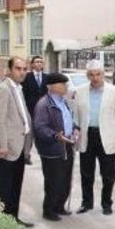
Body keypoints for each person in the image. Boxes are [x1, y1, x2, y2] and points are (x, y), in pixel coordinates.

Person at [74, 60, 115, 215]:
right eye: (91, 74)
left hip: (107, 137)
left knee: (108, 175)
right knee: (86, 173)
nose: (95, 78)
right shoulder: (80, 91)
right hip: (87, 136)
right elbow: (76, 115)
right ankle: (87, 202)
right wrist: (76, 131)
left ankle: (106, 203)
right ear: (87, 75)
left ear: (103, 74)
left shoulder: (114, 91)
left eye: (98, 74)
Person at [0, 57, 34, 228]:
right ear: (9, 70)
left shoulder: (18, 89)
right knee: (5, 190)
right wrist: (2, 146)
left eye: (24, 69)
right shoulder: (3, 90)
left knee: (16, 187)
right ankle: (2, 226)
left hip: (19, 147)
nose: (22, 72)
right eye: (18, 68)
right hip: (6, 149)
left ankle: (13, 220)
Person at [33, 73, 79, 221]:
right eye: (62, 84)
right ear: (51, 87)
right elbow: (40, 128)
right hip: (52, 149)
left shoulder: (63, 101)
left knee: (66, 179)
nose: (66, 86)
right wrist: (55, 136)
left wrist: (75, 129)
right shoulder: (44, 104)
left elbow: (68, 120)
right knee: (54, 181)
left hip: (67, 145)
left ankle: (60, 206)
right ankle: (49, 210)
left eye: (66, 84)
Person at [22, 56, 49, 165]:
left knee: (43, 133)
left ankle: (45, 155)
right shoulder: (27, 77)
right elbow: (23, 93)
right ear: (32, 64)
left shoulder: (47, 77)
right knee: (29, 134)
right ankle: (26, 155)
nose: (39, 63)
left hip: (43, 111)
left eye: (41, 62)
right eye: (37, 62)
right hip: (30, 109)